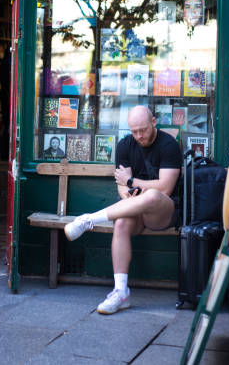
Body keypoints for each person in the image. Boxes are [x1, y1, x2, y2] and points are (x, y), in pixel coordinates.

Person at [64, 105, 182, 315]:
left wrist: (132, 182)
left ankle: (88, 220)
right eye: (134, 131)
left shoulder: (169, 144)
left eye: (143, 130)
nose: (139, 136)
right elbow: (122, 187)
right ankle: (120, 292)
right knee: (120, 223)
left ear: (154, 122)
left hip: (162, 212)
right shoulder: (125, 145)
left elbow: (165, 187)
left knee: (152, 195)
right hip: (135, 208)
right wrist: (129, 190)